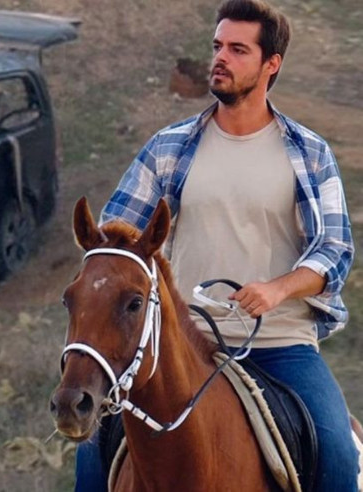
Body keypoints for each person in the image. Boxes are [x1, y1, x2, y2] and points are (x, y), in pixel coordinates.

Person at [75, 0, 358, 490]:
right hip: (183, 349)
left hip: (280, 344)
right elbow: (114, 240)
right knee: (90, 456)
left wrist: (277, 289)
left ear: (271, 65)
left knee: (336, 451)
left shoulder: (309, 152)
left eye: (237, 49)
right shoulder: (170, 146)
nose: (220, 58)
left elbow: (334, 249)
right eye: (217, 46)